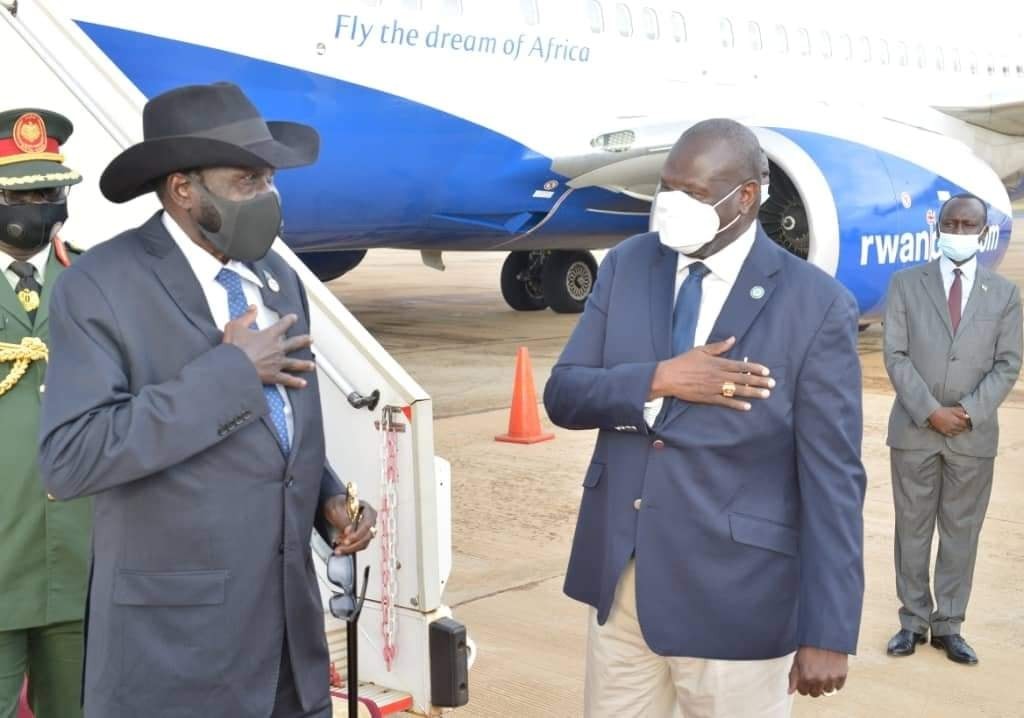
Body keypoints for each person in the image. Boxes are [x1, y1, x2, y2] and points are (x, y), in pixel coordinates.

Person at [37, 83, 376, 717]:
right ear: (183, 189)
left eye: (270, 179)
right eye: (247, 181)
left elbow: (281, 427)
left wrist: (323, 500)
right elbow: (71, 457)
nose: (267, 197)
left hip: (289, 648)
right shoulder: (101, 285)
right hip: (178, 656)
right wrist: (230, 373)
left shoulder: (278, 277)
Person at [544, 118, 866, 717]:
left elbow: (833, 479)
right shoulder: (627, 265)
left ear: (745, 197)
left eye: (693, 193)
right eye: (667, 186)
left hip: (738, 602)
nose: (671, 204)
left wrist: (829, 627)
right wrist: (659, 378)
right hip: (624, 587)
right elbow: (564, 394)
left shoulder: (815, 305)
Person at [883, 193, 1022, 665]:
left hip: (971, 435)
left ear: (983, 233)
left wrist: (967, 411)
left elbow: (1007, 364)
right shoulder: (906, 284)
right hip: (914, 431)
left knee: (962, 531)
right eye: (951, 224)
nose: (958, 232)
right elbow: (895, 355)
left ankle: (949, 625)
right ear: (937, 228)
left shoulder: (1004, 294)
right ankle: (912, 621)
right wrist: (930, 411)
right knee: (912, 528)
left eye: (968, 225)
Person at [0, 108, 89, 718]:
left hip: (77, 559)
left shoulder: (90, 278)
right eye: (21, 195)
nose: (38, 206)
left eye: (49, 193)